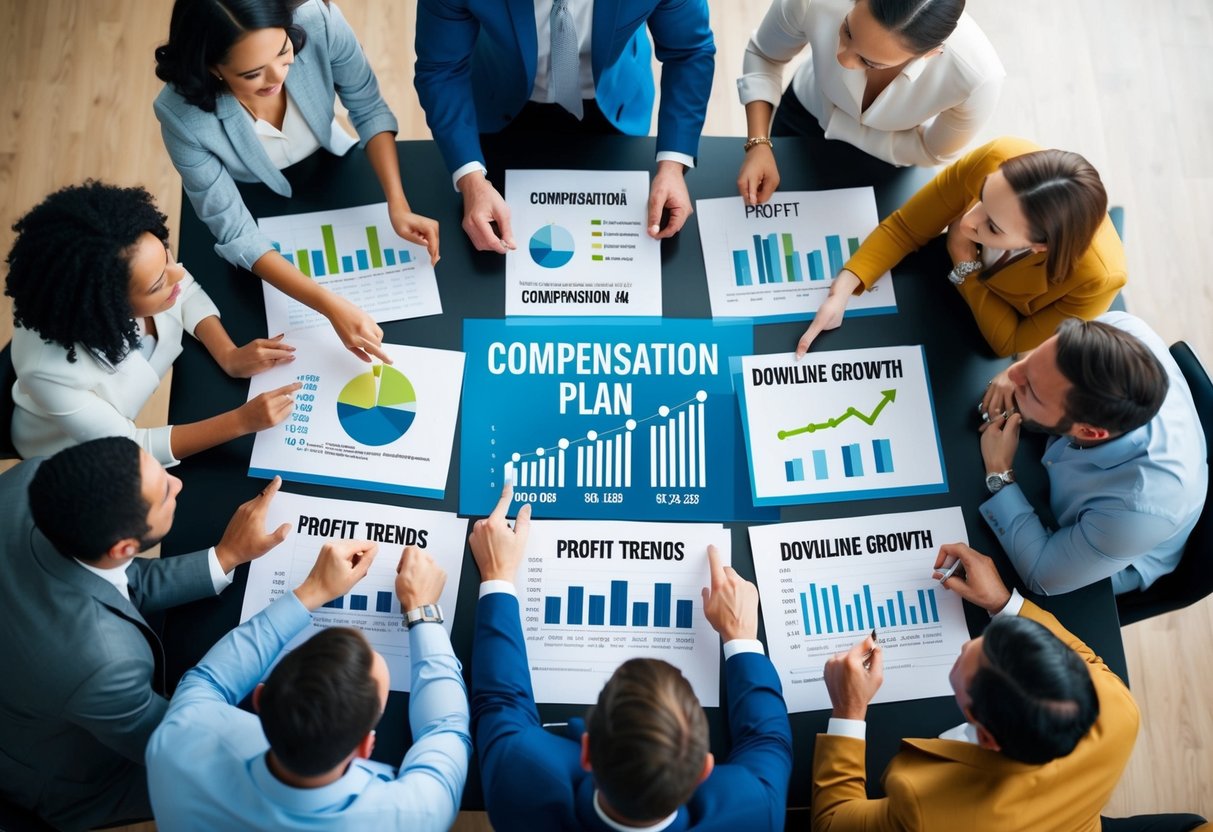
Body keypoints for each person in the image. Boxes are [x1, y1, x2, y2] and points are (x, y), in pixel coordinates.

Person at [0, 437, 291, 831]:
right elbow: (179, 741)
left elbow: (113, 577)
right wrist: (301, 602)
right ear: (124, 546)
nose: (178, 484)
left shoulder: (31, 479)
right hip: (71, 774)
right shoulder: (101, 663)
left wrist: (226, 556)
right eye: (164, 494)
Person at [467, 484, 793, 832]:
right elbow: (767, 741)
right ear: (703, 770)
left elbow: (500, 701)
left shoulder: (520, 774)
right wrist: (741, 638)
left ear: (587, 751)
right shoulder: (755, 809)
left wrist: (497, 577)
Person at [154, 0, 439, 364]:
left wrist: (397, 204)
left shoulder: (317, 20)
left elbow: (367, 106)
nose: (277, 77)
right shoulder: (181, 115)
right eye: (253, 73)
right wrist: (329, 305)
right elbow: (237, 233)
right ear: (214, 68)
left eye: (284, 51)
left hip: (332, 161)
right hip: (252, 193)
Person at [811, 542, 1138, 831]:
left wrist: (848, 710)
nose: (968, 646)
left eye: (959, 670)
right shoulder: (1119, 708)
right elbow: (1083, 660)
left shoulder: (928, 812)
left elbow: (832, 822)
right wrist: (1001, 602)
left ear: (984, 736)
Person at [145, 545, 471, 831]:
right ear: (365, 748)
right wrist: (421, 610)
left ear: (260, 697)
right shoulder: (415, 815)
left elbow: (207, 681)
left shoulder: (177, 743)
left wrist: (311, 592)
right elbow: (446, 728)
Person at [5, 181, 300, 466]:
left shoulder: (148, 274)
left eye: (167, 253)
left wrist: (229, 355)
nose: (178, 274)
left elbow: (185, 292)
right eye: (159, 282)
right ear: (109, 306)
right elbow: (130, 445)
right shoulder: (50, 374)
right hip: (66, 449)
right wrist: (242, 420)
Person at [413, 0, 715, 252]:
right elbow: (441, 69)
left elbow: (689, 51)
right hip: (500, 101)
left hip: (613, 102)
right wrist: (470, 179)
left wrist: (674, 165)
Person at [796, 136, 1125, 357]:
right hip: (935, 292)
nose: (967, 221)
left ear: (1040, 246)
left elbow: (1009, 342)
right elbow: (906, 228)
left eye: (992, 226)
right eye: (982, 195)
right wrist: (844, 287)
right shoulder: (996, 159)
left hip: (975, 340)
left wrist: (963, 261)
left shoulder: (1097, 278)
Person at [977, 312, 1207, 595]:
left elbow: (1040, 574)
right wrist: (1027, 372)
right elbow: (1026, 368)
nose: (1012, 375)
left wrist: (999, 472)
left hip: (1107, 553)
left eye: (1033, 390)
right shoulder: (1118, 328)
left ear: (1088, 432)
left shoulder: (1141, 508)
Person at [737, 0, 1004, 202]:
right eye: (848, 31)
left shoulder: (977, 79)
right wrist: (758, 143)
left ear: (931, 54)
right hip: (803, 113)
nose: (842, 58)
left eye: (869, 62)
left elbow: (935, 151)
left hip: (888, 158)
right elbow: (765, 55)